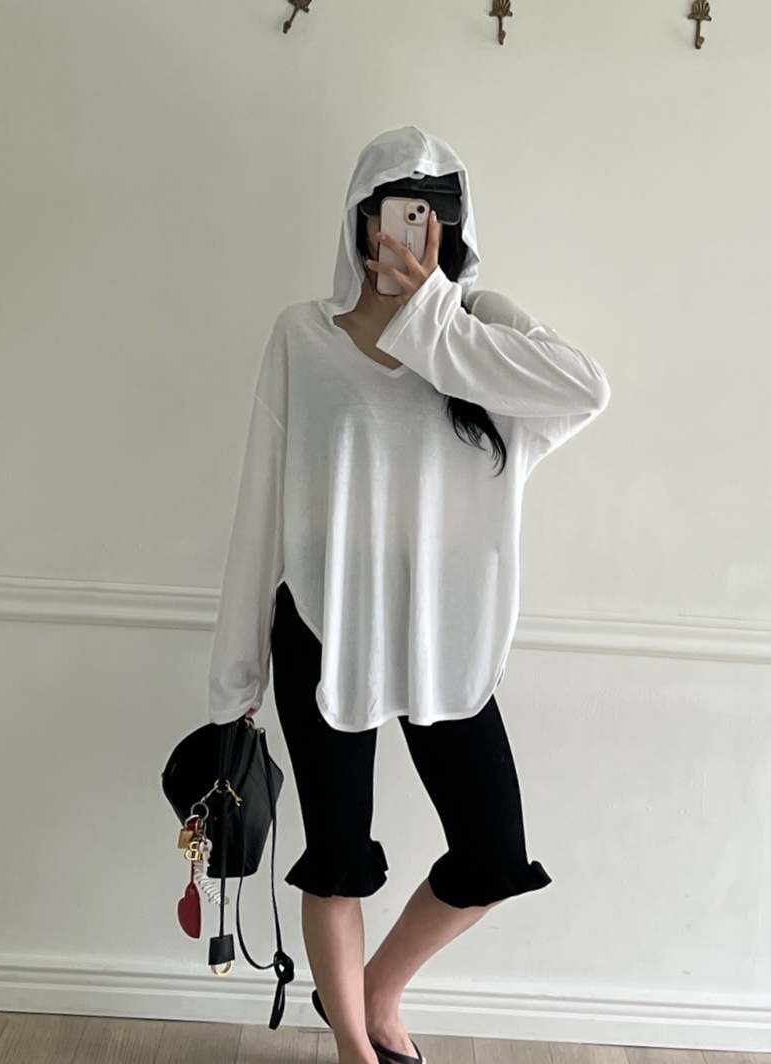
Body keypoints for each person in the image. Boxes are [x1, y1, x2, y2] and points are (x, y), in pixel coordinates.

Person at [208, 125, 611, 1064]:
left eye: (432, 214)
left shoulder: (480, 332)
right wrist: (234, 683)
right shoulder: (302, 336)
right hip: (324, 625)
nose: (409, 229)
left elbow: (586, 389)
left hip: (445, 634)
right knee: (337, 856)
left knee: (492, 852)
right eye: (394, 210)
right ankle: (357, 1048)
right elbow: (260, 504)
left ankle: (377, 990)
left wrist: (435, 311)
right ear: (360, 220)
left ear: (453, 227)